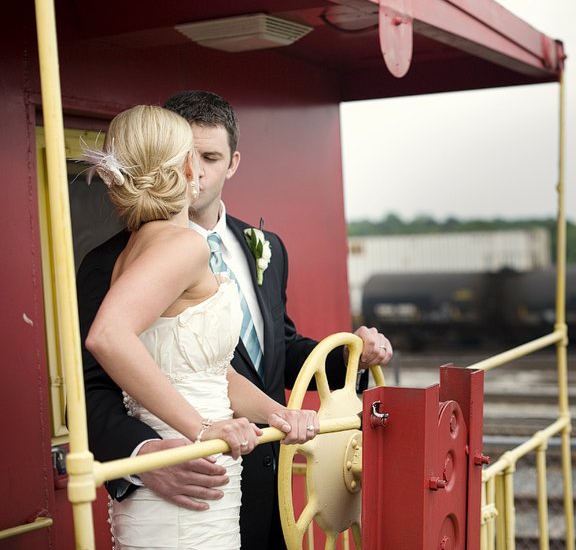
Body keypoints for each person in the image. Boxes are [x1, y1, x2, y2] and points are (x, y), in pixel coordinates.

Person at [79, 91, 394, 549]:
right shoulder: (132, 256)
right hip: (188, 475)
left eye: (213, 157)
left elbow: (236, 360)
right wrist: (158, 451)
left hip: (258, 488)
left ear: (232, 162)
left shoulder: (262, 246)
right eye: (194, 157)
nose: (202, 171)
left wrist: (337, 371)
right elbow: (99, 362)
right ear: (181, 166)